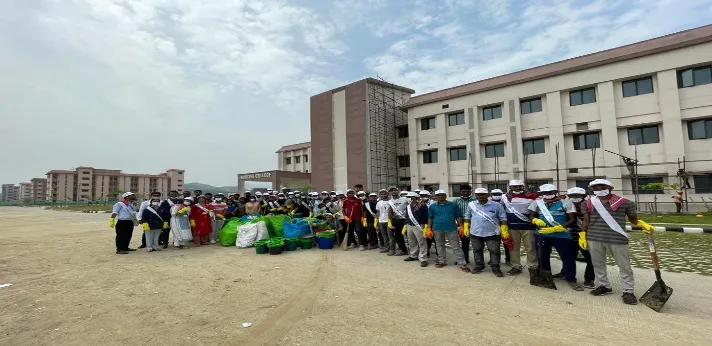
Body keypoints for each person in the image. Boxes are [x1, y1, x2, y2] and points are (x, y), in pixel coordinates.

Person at [582, 179, 654, 305]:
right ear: (592, 189)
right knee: (598, 264)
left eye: (602, 186)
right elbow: (586, 220)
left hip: (617, 238)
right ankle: (603, 286)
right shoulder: (588, 203)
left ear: (611, 187)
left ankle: (628, 291)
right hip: (594, 237)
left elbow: (633, 219)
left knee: (624, 266)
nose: (599, 189)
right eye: (595, 187)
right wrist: (582, 235)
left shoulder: (625, 203)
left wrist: (641, 223)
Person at [528, 184, 582, 291]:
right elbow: (532, 215)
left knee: (567, 258)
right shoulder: (537, 202)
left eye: (550, 193)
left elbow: (572, 219)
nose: (547, 195)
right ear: (541, 194)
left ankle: (571, 279)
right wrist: (534, 220)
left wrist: (558, 228)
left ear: (555, 192)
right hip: (542, 234)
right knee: (542, 257)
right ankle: (545, 277)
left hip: (562, 235)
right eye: (544, 193)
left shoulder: (565, 202)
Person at [555, 187, 595, 289]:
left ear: (584, 196)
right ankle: (564, 273)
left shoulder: (590, 205)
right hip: (569, 236)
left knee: (591, 258)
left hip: (585, 236)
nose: (575, 197)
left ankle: (589, 279)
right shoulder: (564, 205)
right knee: (568, 258)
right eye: (572, 196)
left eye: (578, 195)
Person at [464, 188, 509, 276]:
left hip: (492, 233)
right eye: (478, 194)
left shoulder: (497, 205)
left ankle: (495, 267)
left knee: (494, 251)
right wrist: (465, 227)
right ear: (475, 195)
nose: (480, 196)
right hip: (475, 232)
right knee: (477, 250)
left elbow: (503, 218)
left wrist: (504, 229)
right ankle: (479, 265)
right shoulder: (471, 205)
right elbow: (467, 216)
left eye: (483, 194)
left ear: (488, 195)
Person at [501, 180, 538, 276]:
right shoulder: (504, 197)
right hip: (512, 226)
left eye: (520, 186)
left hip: (528, 226)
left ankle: (533, 266)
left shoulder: (533, 196)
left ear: (523, 186)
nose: (518, 188)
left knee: (530, 248)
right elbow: (502, 210)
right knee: (514, 248)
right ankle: (516, 266)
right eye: (515, 186)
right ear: (510, 187)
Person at [428, 190, 469, 272]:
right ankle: (441, 261)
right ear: (436, 197)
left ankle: (461, 263)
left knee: (456, 246)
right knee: (439, 245)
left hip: (451, 228)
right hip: (437, 228)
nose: (440, 197)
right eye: (438, 195)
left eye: (442, 195)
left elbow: (458, 216)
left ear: (445, 196)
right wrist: (429, 228)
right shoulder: (432, 207)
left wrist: (461, 226)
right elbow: (430, 218)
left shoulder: (453, 205)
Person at [404, 191, 429, 267]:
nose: (409, 199)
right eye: (408, 197)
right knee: (411, 241)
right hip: (409, 225)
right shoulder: (408, 206)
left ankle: (423, 258)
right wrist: (405, 224)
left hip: (419, 225)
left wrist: (426, 226)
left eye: (411, 197)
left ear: (416, 198)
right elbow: (407, 216)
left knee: (422, 242)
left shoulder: (422, 205)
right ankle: (413, 255)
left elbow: (426, 216)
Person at [453, 184, 474, 264]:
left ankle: (469, 259)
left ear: (470, 192)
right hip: (460, 225)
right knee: (461, 243)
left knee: (470, 243)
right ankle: (462, 258)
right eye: (463, 191)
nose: (465, 193)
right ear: (460, 192)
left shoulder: (474, 200)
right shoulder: (456, 201)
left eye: (467, 192)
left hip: (472, 224)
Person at [490, 189, 511, 265]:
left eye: (498, 194)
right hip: (493, 226)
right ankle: (493, 260)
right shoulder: (489, 203)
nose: (496, 196)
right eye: (494, 194)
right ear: (491, 195)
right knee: (493, 244)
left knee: (507, 244)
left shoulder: (506, 203)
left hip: (505, 226)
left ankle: (508, 259)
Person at [388, 186, 409, 256]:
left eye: (395, 190)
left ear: (398, 191)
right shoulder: (390, 201)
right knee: (398, 236)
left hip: (406, 220)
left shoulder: (405, 199)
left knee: (408, 235)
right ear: (390, 193)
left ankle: (414, 250)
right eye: (391, 191)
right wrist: (390, 221)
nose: (393, 191)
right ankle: (404, 250)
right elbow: (390, 211)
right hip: (396, 220)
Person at [375, 189, 393, 254]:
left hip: (389, 221)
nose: (383, 195)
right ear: (379, 195)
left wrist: (391, 220)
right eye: (381, 194)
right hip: (381, 221)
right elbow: (378, 212)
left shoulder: (391, 201)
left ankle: (392, 249)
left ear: (388, 194)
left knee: (390, 236)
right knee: (384, 236)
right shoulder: (379, 203)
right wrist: (376, 221)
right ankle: (386, 247)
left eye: (385, 193)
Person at [420, 190, 437, 257]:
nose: (424, 197)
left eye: (425, 195)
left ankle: (439, 254)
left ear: (429, 196)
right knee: (425, 239)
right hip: (423, 223)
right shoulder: (418, 204)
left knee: (436, 239)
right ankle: (426, 253)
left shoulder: (434, 203)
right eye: (422, 195)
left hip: (434, 223)